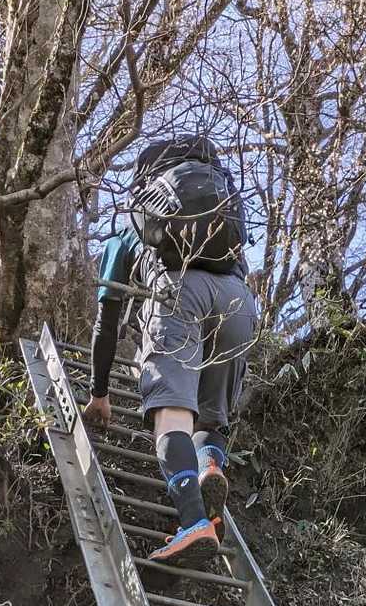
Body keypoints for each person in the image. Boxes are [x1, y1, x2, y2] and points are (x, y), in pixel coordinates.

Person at [82, 135, 257, 566]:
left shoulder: (130, 228)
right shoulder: (224, 212)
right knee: (210, 415)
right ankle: (210, 465)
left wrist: (99, 392)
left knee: (172, 412)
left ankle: (194, 522)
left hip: (179, 293)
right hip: (239, 301)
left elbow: (107, 320)